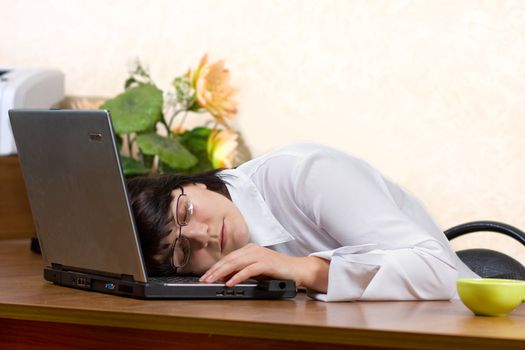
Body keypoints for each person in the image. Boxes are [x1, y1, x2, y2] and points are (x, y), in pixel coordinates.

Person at [127, 143, 477, 302]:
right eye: (182, 251)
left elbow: (441, 272)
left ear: (190, 183)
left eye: (185, 212)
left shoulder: (303, 174)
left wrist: (306, 270)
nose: (204, 236)